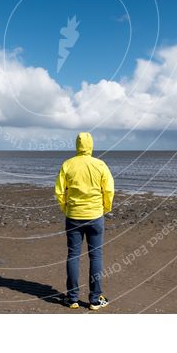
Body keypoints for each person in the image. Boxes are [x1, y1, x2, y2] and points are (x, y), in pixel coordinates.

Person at [54, 132, 114, 310]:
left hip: (74, 216)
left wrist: (66, 208)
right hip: (95, 216)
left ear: (77, 145)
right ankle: (95, 299)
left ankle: (72, 298)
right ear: (91, 145)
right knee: (95, 256)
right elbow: (109, 190)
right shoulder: (100, 164)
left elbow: (59, 191)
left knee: (73, 255)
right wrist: (105, 208)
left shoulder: (68, 164)